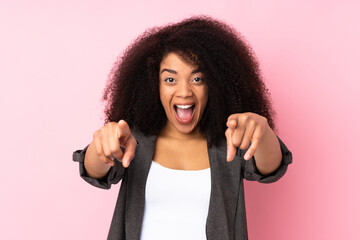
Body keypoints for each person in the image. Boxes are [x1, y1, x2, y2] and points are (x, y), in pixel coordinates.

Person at [73, 16, 292, 240]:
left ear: (214, 84)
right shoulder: (133, 140)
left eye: (197, 79)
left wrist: (262, 132)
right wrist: (100, 147)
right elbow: (94, 171)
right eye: (170, 80)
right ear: (153, 84)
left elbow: (271, 168)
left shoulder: (229, 141)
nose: (185, 91)